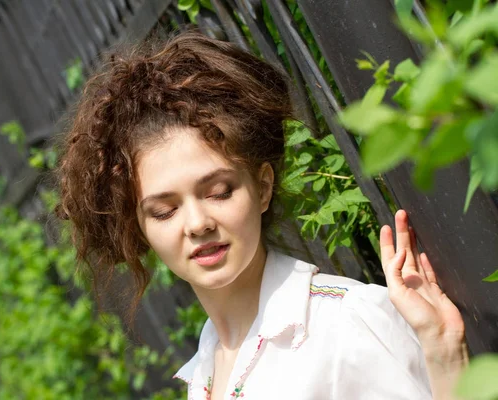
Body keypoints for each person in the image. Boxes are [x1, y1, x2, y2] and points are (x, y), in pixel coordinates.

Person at [56, 31, 469, 399]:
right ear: (140, 227)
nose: (198, 223)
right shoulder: (207, 369)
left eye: (219, 192)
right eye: (164, 211)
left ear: (264, 187)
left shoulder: (342, 324)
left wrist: (446, 357)